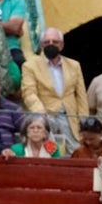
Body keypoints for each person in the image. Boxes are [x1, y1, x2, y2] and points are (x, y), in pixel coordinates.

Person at [20, 27, 88, 156]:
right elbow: (28, 92)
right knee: (49, 154)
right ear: (41, 45)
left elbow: (81, 96)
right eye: (47, 42)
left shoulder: (74, 65)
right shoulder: (29, 66)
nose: (51, 45)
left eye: (55, 42)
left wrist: (84, 123)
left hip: (70, 120)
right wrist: (40, 112)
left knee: (76, 154)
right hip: (46, 119)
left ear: (61, 45)